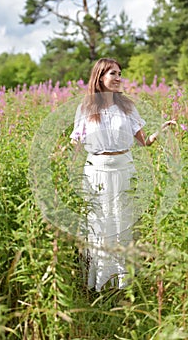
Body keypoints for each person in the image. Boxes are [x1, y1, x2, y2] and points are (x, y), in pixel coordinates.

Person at [70, 58, 176, 292]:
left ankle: (123, 284)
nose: (119, 78)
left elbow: (144, 142)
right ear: (99, 78)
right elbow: (75, 144)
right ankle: (99, 285)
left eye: (120, 73)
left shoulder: (127, 106)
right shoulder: (86, 108)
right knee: (99, 224)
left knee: (122, 223)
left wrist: (162, 129)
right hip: (96, 170)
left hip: (124, 168)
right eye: (113, 74)